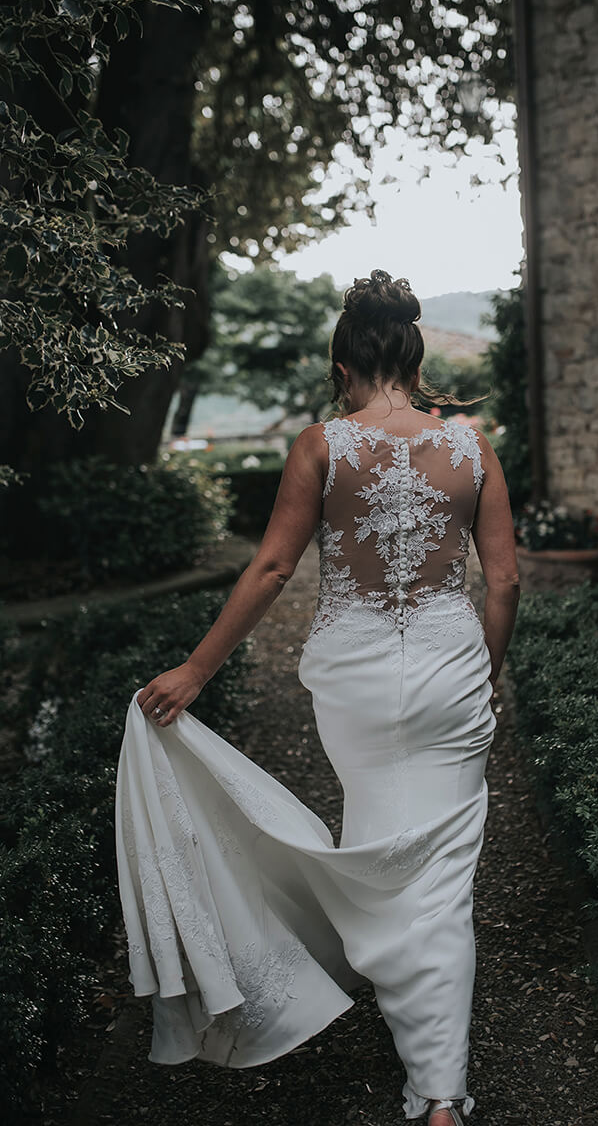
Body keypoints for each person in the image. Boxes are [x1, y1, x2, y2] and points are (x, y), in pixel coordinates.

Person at [117, 268, 520, 1125]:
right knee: (443, 877)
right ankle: (440, 1093)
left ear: (343, 366)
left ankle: (385, 974)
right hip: (450, 667)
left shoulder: (320, 445)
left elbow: (270, 570)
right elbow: (505, 580)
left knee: (377, 847)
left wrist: (196, 671)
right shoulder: (469, 445)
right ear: (413, 354)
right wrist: (484, 670)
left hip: (357, 678)